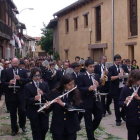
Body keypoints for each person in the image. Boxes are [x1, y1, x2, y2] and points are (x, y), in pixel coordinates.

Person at [45, 74, 81, 140]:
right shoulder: (55, 92)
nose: (72, 86)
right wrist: (47, 107)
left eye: (73, 84)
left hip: (71, 126)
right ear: (64, 84)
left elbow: (76, 108)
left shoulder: (75, 93)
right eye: (69, 84)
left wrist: (63, 104)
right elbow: (49, 109)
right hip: (58, 126)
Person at [2, 58, 28, 136]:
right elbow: (3, 82)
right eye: (13, 63)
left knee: (22, 111)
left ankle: (22, 125)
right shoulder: (6, 71)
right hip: (11, 95)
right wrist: (9, 82)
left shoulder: (23, 71)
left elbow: (27, 80)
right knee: (13, 113)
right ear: (11, 63)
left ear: (18, 63)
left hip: (21, 95)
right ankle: (14, 129)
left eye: (16, 63)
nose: (15, 65)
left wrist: (20, 79)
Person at [78, 59, 102, 140]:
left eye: (93, 67)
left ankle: (90, 131)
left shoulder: (96, 76)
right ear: (86, 67)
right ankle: (91, 137)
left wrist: (98, 85)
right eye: (90, 67)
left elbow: (101, 87)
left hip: (96, 101)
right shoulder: (81, 76)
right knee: (88, 122)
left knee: (98, 117)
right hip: (86, 101)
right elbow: (79, 89)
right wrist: (88, 88)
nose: (92, 68)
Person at [25, 67, 49, 140]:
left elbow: (49, 96)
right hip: (34, 111)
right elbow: (26, 99)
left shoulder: (44, 84)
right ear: (32, 76)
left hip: (43, 110)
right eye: (36, 76)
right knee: (36, 130)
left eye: (39, 76)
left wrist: (43, 94)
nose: (37, 77)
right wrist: (34, 99)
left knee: (44, 128)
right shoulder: (28, 86)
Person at [119, 69, 140, 140]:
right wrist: (125, 101)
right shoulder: (125, 89)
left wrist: (139, 98)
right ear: (133, 79)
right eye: (138, 79)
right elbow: (120, 103)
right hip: (131, 120)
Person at [108, 54, 126, 126]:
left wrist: (124, 73)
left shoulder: (123, 67)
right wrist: (118, 76)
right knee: (116, 105)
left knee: (125, 103)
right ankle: (118, 119)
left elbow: (128, 75)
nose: (119, 61)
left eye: (119, 60)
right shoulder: (111, 68)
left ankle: (122, 114)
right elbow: (110, 78)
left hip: (123, 88)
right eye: (117, 60)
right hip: (115, 89)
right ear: (115, 61)